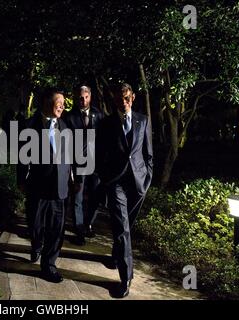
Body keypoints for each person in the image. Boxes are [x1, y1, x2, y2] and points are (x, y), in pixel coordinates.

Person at [96, 82, 153, 298]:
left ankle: (116, 254)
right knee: (122, 228)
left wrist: (147, 179)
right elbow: (99, 155)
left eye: (127, 98)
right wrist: (106, 178)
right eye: (120, 99)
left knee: (126, 226)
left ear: (133, 97)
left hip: (138, 183)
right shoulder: (106, 124)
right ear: (115, 100)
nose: (124, 102)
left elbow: (148, 154)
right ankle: (126, 277)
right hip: (116, 182)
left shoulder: (143, 120)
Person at [17, 88, 71, 283]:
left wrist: (74, 179)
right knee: (36, 225)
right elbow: (22, 157)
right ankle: (36, 244)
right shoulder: (29, 125)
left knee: (56, 229)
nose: (63, 106)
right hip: (38, 186)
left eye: (63, 103)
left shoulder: (65, 126)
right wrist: (21, 180)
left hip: (60, 188)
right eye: (59, 102)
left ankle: (49, 265)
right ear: (48, 102)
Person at [63, 85, 104, 245]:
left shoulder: (99, 115)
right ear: (75, 98)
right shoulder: (69, 117)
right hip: (77, 164)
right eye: (80, 97)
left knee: (96, 197)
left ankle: (88, 224)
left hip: (96, 165)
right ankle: (79, 230)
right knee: (77, 198)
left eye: (86, 97)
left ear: (90, 97)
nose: (83, 100)